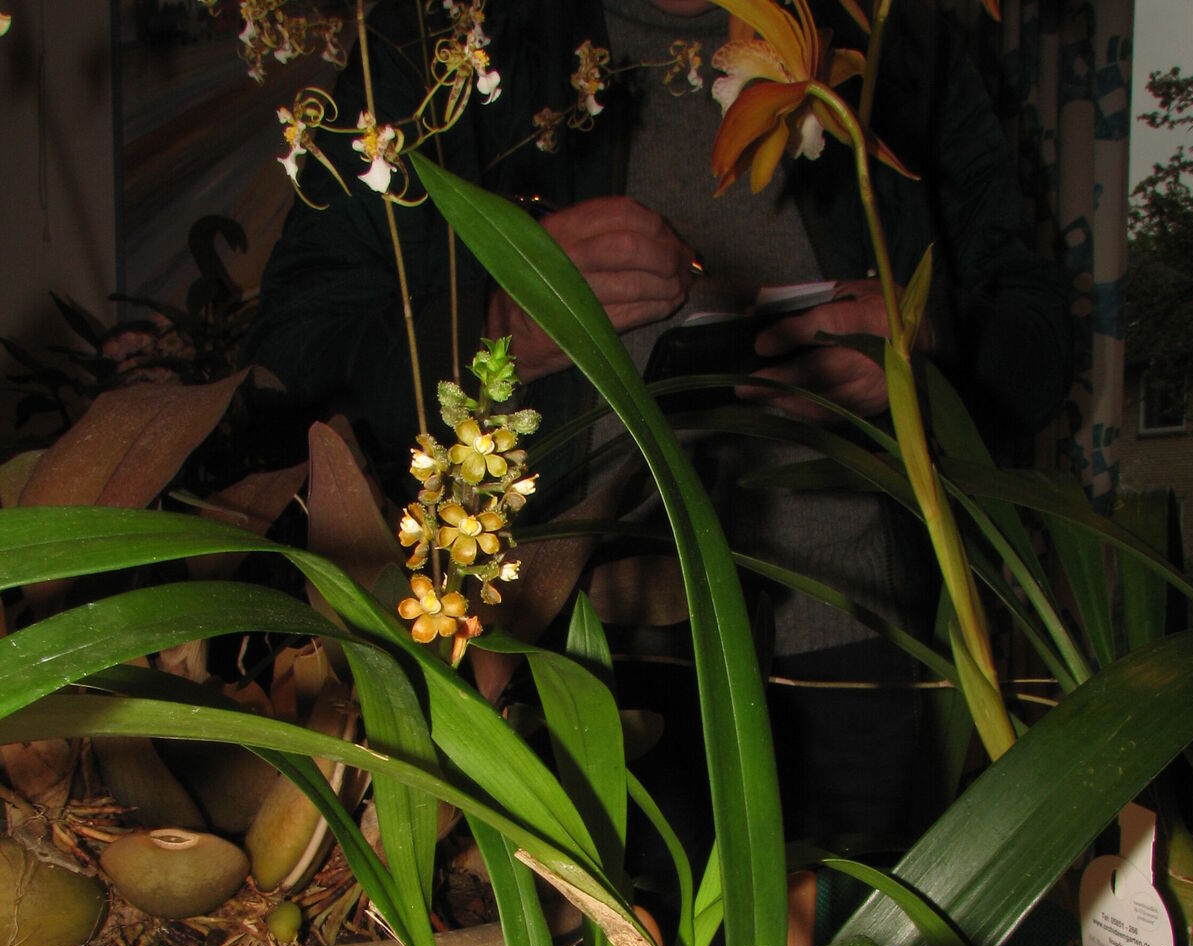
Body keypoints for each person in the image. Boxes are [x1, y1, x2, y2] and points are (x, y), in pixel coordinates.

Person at [244, 0, 1072, 842]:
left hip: (862, 662)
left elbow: (1036, 336)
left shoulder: (885, 40)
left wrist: (920, 343)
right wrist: (501, 319)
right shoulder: (451, 45)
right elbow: (288, 361)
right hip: (555, 669)